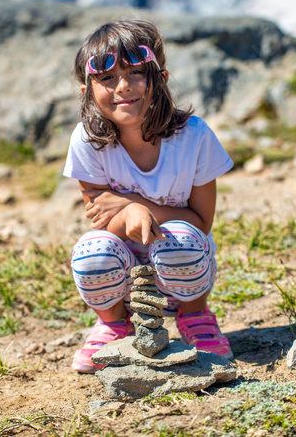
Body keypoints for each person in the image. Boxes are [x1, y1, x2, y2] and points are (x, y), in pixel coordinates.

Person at [63, 19, 234, 373]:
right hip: (122, 279)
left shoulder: (194, 137)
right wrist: (129, 215)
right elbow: (103, 225)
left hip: (184, 273)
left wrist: (134, 207)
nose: (123, 86)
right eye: (107, 78)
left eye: (137, 72)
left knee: (183, 240)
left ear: (161, 79)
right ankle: (113, 322)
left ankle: (195, 316)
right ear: (87, 91)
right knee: (91, 251)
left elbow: (201, 223)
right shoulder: (86, 141)